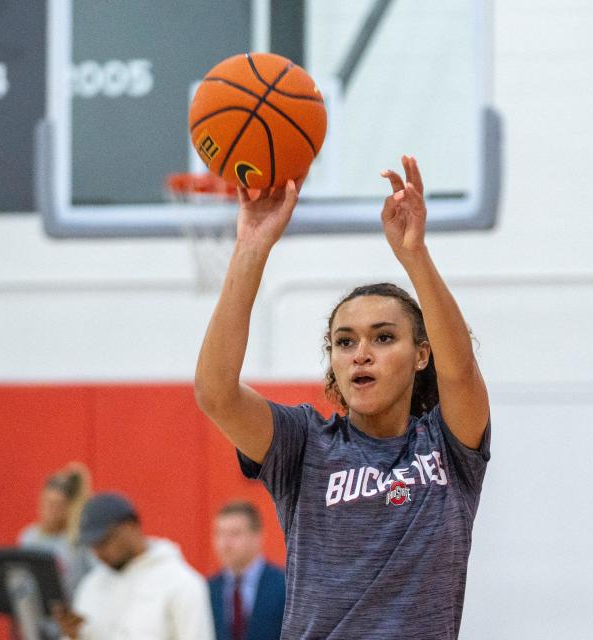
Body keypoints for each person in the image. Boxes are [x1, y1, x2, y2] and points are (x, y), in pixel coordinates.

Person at [194, 156, 491, 639]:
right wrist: (251, 246)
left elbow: (460, 372)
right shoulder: (304, 443)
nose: (361, 355)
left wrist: (415, 254)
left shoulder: (448, 446)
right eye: (345, 341)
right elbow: (216, 392)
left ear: (421, 355)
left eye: (383, 338)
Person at [52, 492, 214, 640]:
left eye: (104, 541)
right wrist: (74, 636)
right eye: (93, 545)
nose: (99, 553)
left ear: (130, 526)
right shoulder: (91, 585)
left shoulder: (181, 583)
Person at [18, 462, 95, 602]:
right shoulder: (29, 537)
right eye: (47, 503)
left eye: (57, 505)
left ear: (70, 507)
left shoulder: (80, 540)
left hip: (72, 615)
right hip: (38, 614)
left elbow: (98, 580)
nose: (50, 510)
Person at [208, 501, 285, 640]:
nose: (225, 543)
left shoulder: (284, 586)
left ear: (257, 537)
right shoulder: (208, 589)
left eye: (234, 534)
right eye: (220, 533)